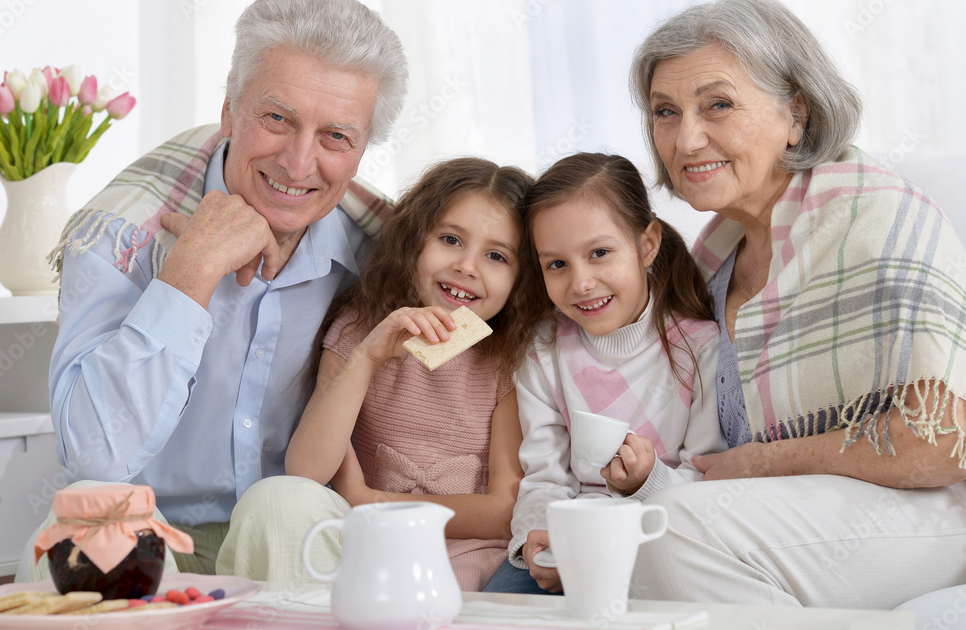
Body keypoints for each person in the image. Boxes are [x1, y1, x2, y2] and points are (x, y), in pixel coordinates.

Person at [25, 0, 408, 579]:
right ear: (230, 110)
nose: (299, 163)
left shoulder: (381, 249)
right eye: (276, 118)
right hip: (148, 528)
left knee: (286, 504)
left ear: (362, 150)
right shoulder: (122, 232)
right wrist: (189, 274)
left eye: (335, 137)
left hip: (292, 538)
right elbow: (94, 457)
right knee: (82, 532)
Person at [627, 0, 966, 609]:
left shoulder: (877, 220)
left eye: (718, 104)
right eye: (665, 112)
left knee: (669, 527)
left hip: (930, 512)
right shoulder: (707, 262)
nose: (687, 137)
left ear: (796, 113)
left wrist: (763, 464)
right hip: (789, 513)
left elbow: (941, 441)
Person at [221, 157, 539, 590]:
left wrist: (374, 502)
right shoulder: (358, 330)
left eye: (496, 255)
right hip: (359, 546)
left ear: (521, 279)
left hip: (462, 556)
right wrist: (368, 357)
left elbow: (505, 511)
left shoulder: (507, 360)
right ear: (413, 243)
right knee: (273, 498)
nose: (468, 266)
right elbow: (306, 470)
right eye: (450, 239)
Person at [484, 152, 727, 594]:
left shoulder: (700, 348)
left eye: (599, 253)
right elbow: (545, 476)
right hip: (570, 538)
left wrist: (645, 481)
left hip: (658, 537)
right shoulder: (544, 349)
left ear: (647, 244)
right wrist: (536, 544)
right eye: (557, 264)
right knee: (498, 612)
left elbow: (705, 479)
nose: (580, 283)